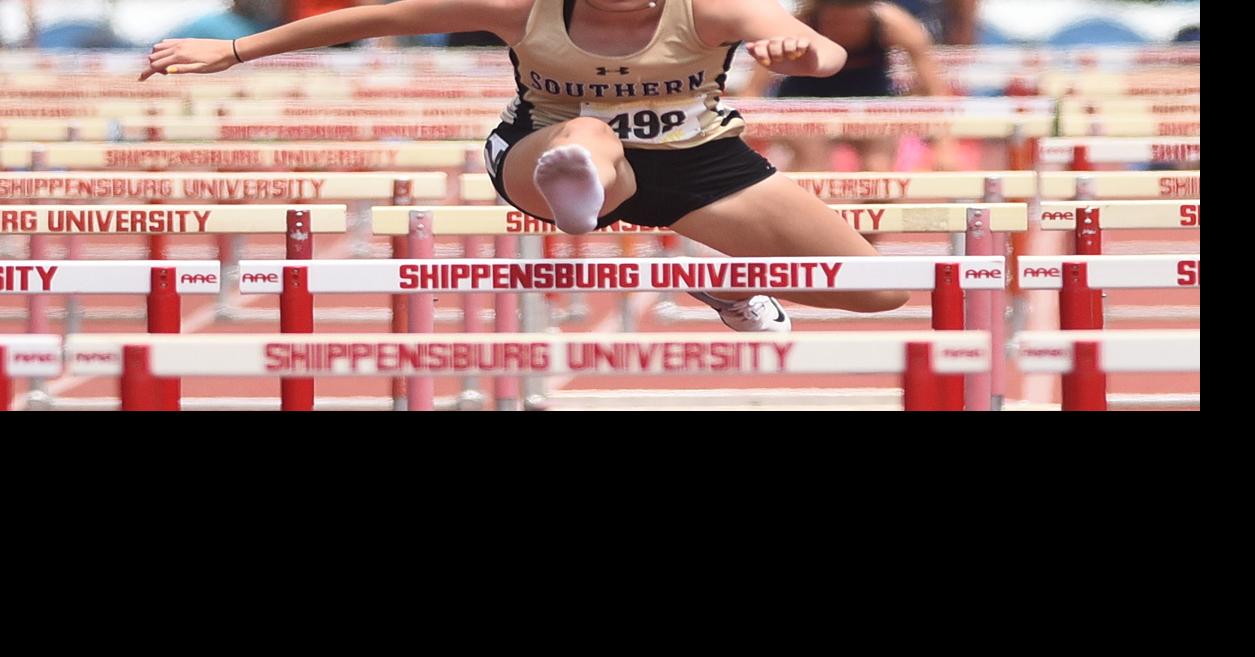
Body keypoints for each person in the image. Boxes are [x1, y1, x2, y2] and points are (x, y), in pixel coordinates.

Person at [140, 0, 909, 332]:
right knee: (588, 135)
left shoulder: (707, 10)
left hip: (697, 163)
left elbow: (827, 48)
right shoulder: (525, 8)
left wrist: (805, 51)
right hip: (541, 154)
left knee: (878, 290)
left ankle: (720, 276)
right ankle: (582, 196)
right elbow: (384, 16)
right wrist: (234, 50)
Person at [739, 0, 954, 172]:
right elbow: (753, 89)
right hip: (805, 105)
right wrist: (740, 141)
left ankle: (868, 227)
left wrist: (944, 146)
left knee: (877, 171)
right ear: (822, 8)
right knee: (813, 167)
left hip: (871, 104)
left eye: (853, 17)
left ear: (868, 8)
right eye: (836, 17)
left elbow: (933, 87)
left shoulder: (894, 24)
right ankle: (813, 224)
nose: (844, 24)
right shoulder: (798, 24)